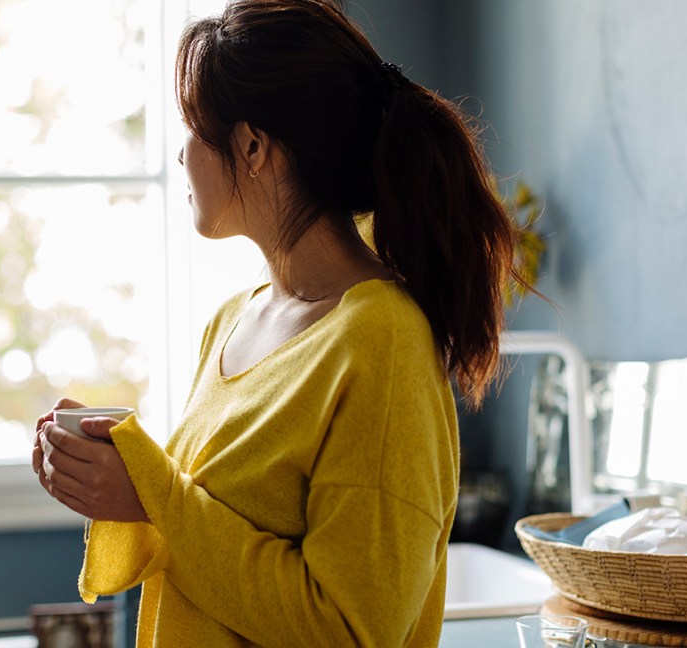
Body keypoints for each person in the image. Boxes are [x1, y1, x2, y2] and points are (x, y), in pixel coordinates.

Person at [33, 0, 522, 645]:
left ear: (253, 145)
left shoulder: (382, 342)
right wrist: (124, 484)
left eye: (190, 126)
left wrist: (151, 494)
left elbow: (350, 629)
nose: (180, 156)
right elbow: (201, 529)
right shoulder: (231, 323)